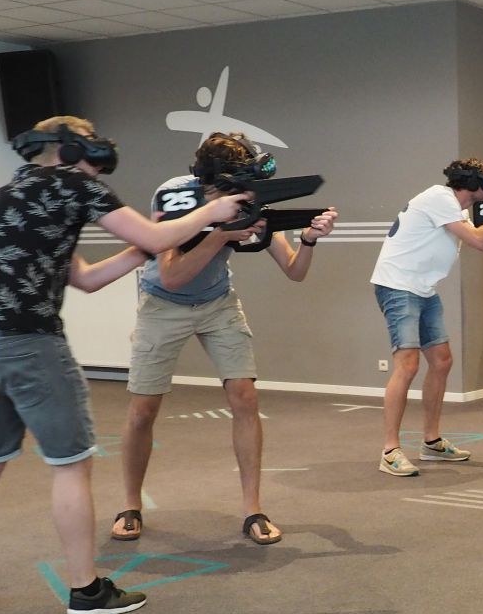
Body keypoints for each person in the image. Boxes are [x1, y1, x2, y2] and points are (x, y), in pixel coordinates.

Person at [0, 116, 249, 614]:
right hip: (25, 336)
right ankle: (86, 592)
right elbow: (152, 231)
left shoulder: (4, 194)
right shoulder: (75, 183)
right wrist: (213, 212)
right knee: (71, 461)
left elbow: (84, 277)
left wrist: (146, 247)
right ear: (73, 149)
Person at [112, 133, 337, 546]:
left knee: (245, 397)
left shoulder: (248, 198)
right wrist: (220, 234)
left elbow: (294, 270)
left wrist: (309, 240)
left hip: (218, 303)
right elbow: (173, 274)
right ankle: (130, 505)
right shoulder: (174, 195)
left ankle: (253, 509)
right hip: (164, 304)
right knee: (143, 409)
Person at [372, 158, 483, 476]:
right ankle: (390, 450)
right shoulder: (439, 198)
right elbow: (478, 239)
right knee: (408, 364)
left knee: (442, 361)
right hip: (398, 286)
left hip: (423, 289)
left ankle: (431, 442)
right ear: (469, 182)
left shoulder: (455, 210)